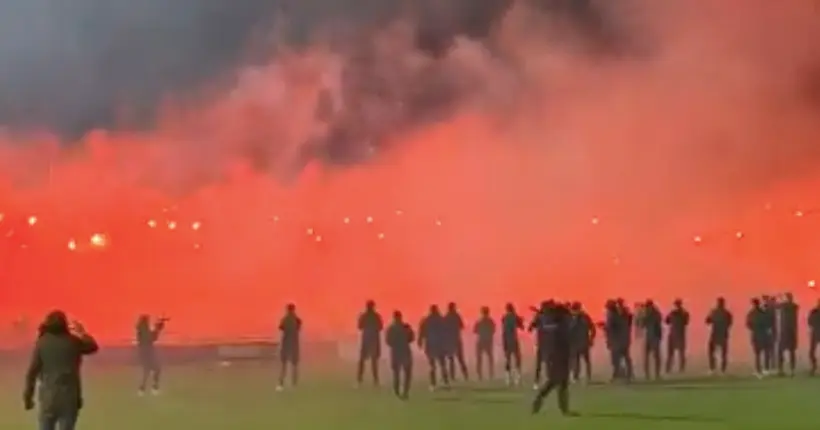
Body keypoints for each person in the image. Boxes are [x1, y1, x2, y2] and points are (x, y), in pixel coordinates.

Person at [23, 310, 99, 430]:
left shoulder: (42, 343)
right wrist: (82, 332)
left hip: (48, 397)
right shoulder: (73, 342)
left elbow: (32, 373)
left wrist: (28, 397)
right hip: (70, 397)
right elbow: (93, 347)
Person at [531, 303, 577, 417]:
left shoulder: (549, 324)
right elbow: (569, 335)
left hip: (552, 356)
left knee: (554, 381)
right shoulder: (562, 325)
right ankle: (563, 409)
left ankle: (541, 400)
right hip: (561, 356)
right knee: (559, 383)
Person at [418, 305, 449, 390]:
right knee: (442, 364)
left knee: (432, 365)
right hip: (440, 344)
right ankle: (445, 380)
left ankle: (433, 383)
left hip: (430, 345)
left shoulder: (426, 320)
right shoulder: (441, 320)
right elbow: (446, 332)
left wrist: (420, 342)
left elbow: (421, 332)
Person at [135, 314, 167, 396]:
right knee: (155, 369)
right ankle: (152, 388)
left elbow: (152, 337)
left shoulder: (140, 331)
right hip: (148, 353)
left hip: (144, 353)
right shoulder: (143, 331)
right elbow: (152, 338)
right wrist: (158, 328)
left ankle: (143, 389)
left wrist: (157, 328)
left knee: (148, 371)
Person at [386, 311, 414, 399]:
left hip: (396, 352)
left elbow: (388, 341)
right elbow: (411, 338)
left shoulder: (391, 328)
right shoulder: (406, 327)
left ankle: (397, 391)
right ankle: (405, 392)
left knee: (396, 373)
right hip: (405, 351)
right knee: (407, 373)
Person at [356, 300, 384, 387]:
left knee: (363, 361)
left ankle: (360, 380)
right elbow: (380, 327)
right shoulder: (376, 316)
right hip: (373, 340)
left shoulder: (364, 316)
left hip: (366, 340)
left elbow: (360, 326)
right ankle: (375, 380)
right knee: (373, 361)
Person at [277, 303, 302, 391]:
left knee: (284, 366)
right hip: (294, 344)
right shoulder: (297, 320)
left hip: (286, 344)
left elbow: (281, 328)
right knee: (294, 366)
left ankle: (281, 384)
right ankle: (294, 385)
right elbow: (298, 328)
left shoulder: (284, 319)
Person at [530, 301, 553, 389]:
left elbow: (531, 327)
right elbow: (532, 326)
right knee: (546, 363)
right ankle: (540, 381)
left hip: (544, 343)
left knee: (541, 364)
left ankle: (538, 382)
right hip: (545, 344)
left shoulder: (541, 316)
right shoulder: (545, 317)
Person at [706, 297, 732, 375]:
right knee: (722, 353)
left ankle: (714, 369)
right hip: (721, 334)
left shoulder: (714, 312)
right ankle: (721, 370)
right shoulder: (726, 313)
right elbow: (729, 323)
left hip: (716, 334)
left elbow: (707, 321)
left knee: (713, 352)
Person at [569, 302, 595, 383]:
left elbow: (592, 328)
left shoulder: (582, 317)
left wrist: (591, 339)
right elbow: (593, 328)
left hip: (581, 342)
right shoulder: (584, 317)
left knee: (582, 360)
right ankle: (578, 376)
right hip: (579, 342)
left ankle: (586, 377)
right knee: (578, 361)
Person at [443, 302, 469, 382]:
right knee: (460, 358)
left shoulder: (446, 317)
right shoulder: (456, 316)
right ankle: (465, 375)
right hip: (457, 339)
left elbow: (443, 328)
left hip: (449, 340)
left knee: (451, 359)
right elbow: (462, 326)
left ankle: (452, 376)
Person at [500, 303, 524, 386]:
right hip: (513, 340)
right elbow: (521, 327)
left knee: (508, 359)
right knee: (517, 359)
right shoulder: (515, 317)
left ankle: (508, 379)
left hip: (507, 340)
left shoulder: (504, 317)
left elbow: (504, 331)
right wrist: (521, 320)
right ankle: (517, 378)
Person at [640, 300, 663, 380]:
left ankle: (657, 374)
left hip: (654, 337)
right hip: (649, 337)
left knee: (656, 357)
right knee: (647, 357)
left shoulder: (655, 314)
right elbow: (642, 325)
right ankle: (648, 375)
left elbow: (657, 323)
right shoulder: (649, 314)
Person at [664, 299, 689, 374]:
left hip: (676, 335)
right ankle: (670, 369)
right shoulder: (680, 313)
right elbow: (667, 321)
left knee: (678, 354)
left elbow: (667, 321)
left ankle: (677, 369)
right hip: (676, 335)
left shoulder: (682, 313)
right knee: (674, 354)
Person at [777, 293, 798, 376]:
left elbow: (776, 306)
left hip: (785, 331)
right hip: (792, 331)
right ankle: (792, 370)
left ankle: (781, 369)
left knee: (781, 351)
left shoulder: (786, 306)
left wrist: (779, 299)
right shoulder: (794, 306)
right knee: (791, 352)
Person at [747, 298, 768, 378]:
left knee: (757, 354)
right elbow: (767, 323)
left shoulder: (751, 313)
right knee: (764, 352)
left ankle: (758, 370)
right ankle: (764, 369)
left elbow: (748, 324)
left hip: (756, 334)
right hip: (763, 334)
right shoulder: (763, 313)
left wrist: (753, 328)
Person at [473, 306, 496, 381]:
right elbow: (493, 331)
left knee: (479, 359)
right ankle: (491, 374)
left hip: (481, 340)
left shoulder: (479, 321)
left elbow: (475, 331)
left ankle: (479, 375)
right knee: (490, 358)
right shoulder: (491, 321)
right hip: (488, 341)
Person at [808, 299, 820, 375]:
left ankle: (814, 367)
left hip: (815, 332)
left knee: (812, 352)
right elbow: (809, 321)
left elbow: (809, 321)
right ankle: (814, 366)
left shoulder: (814, 311)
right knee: (811, 352)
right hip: (815, 333)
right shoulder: (814, 311)